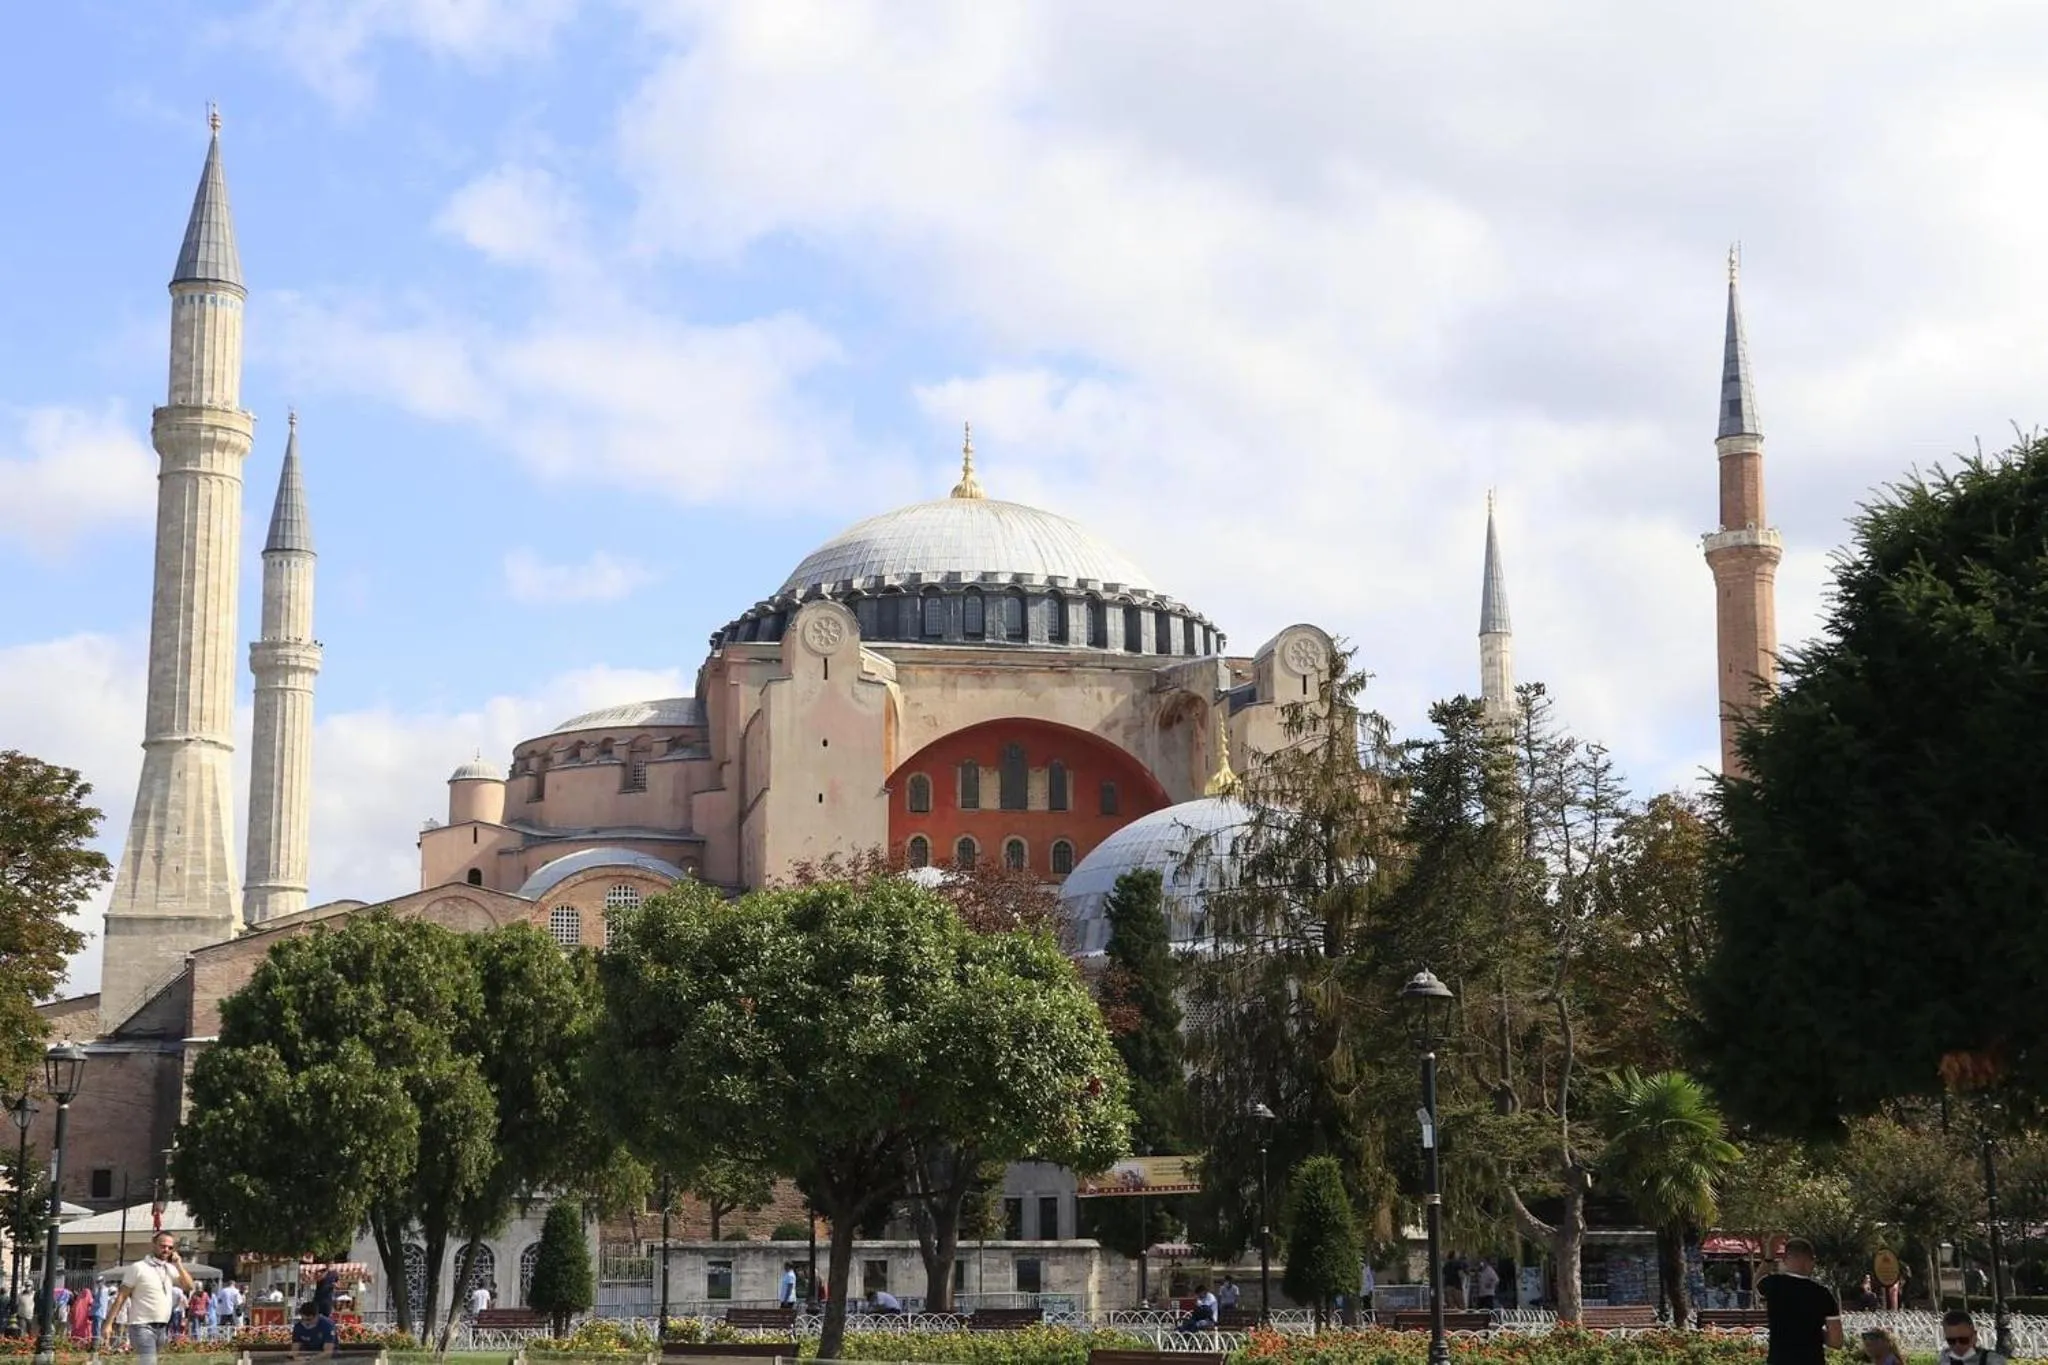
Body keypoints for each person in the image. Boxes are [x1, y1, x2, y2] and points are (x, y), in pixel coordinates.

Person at [103, 1231, 197, 1365]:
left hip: (162, 1327)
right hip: (142, 1326)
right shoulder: (138, 1268)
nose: (166, 1250)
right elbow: (121, 1296)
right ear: (153, 1245)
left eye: (170, 1248)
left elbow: (189, 1286)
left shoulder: (170, 1268)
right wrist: (108, 1324)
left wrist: (179, 1264)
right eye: (163, 1246)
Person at [1758, 1238, 1843, 1365]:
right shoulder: (1823, 1294)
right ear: (1811, 1261)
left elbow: (1757, 1281)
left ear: (1785, 1260)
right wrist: (1814, 1332)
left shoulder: (1773, 1284)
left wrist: (1769, 1256)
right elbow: (1836, 1341)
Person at [1940, 1309, 2007, 1365]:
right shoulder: (1945, 1359)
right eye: (1951, 1341)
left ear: (1974, 1336)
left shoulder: (1993, 1361)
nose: (1957, 1345)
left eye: (1963, 1340)